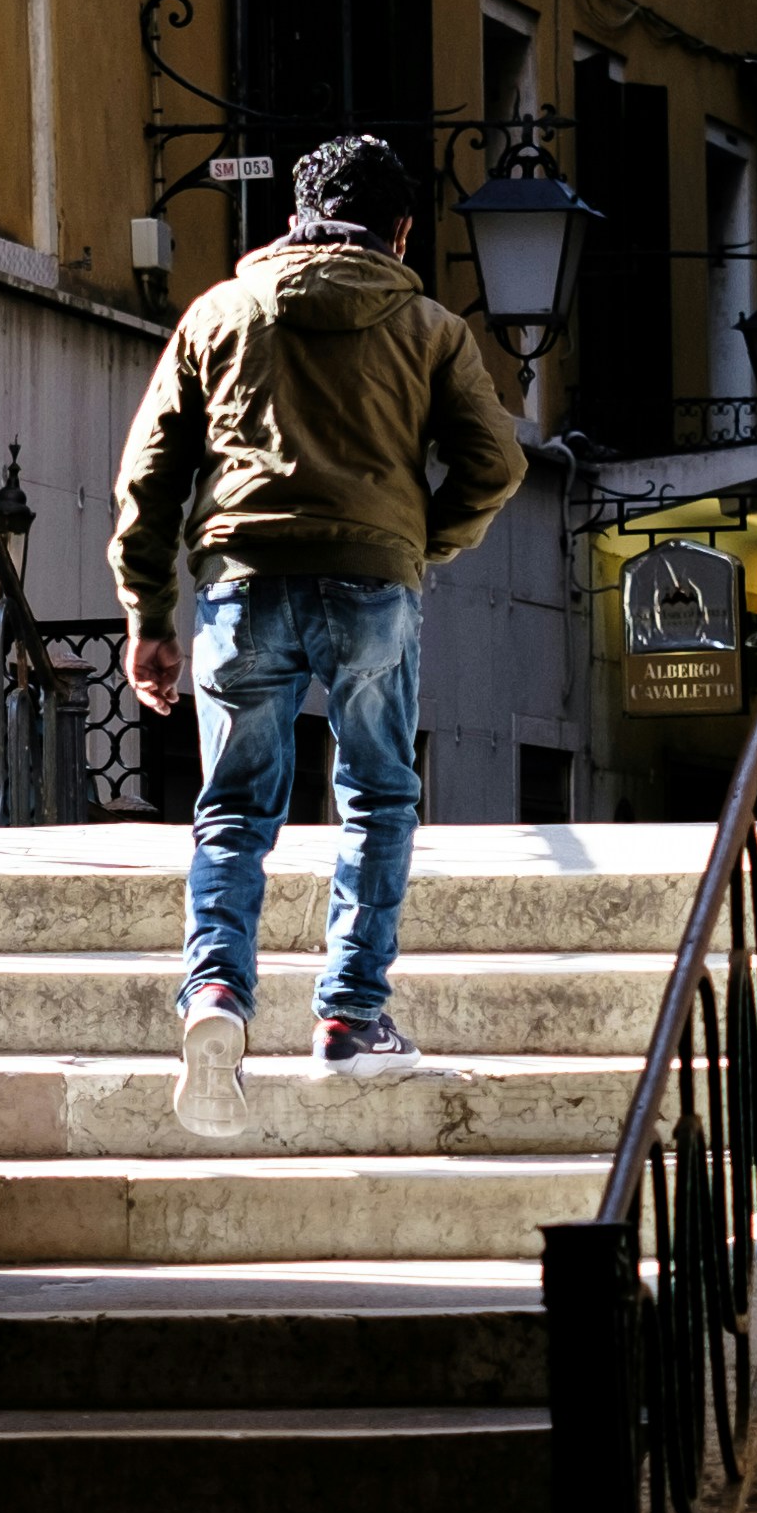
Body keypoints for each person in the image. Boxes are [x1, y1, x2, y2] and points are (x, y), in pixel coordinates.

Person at [110, 126, 530, 1131]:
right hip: (370, 586)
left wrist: (149, 617)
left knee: (231, 811)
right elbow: (497, 462)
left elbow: (149, 480)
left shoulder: (218, 314)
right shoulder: (430, 328)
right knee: (377, 795)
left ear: (295, 218)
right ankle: (349, 1015)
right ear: (400, 230)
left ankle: (217, 991)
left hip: (240, 585)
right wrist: (418, 542)